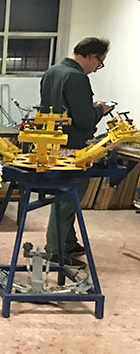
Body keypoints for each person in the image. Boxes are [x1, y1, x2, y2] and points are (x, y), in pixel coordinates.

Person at [40, 37, 113, 266]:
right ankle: (56, 249)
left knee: (63, 197)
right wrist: (100, 110)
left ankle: (68, 242)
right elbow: (83, 119)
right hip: (72, 148)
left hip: (51, 145)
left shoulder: (53, 71)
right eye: (98, 63)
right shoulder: (77, 77)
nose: (95, 69)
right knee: (67, 199)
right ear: (92, 56)